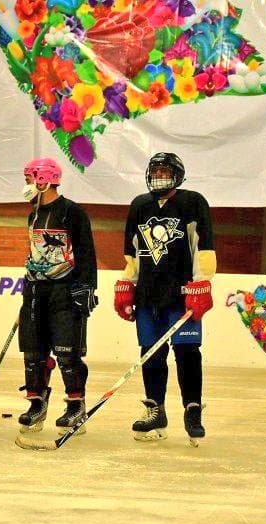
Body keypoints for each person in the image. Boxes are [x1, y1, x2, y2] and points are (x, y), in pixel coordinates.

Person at [113, 152, 215, 444]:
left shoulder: (193, 202)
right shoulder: (139, 206)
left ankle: (192, 409)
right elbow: (132, 252)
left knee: (187, 352)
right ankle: (155, 409)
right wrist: (126, 283)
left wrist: (202, 283)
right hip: (148, 297)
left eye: (164, 171)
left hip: (182, 295)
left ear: (178, 175)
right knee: (151, 353)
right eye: (154, 171)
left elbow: (203, 246)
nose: (158, 176)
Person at [17, 158, 98, 435]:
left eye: (30, 178)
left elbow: (86, 251)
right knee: (34, 352)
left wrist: (87, 286)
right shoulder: (33, 214)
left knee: (67, 352)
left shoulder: (72, 212)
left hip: (64, 291)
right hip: (36, 290)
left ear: (45, 179)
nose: (27, 184)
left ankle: (76, 405)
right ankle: (36, 403)